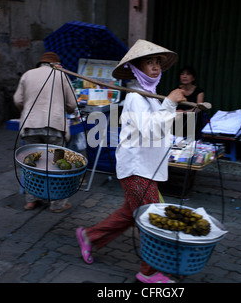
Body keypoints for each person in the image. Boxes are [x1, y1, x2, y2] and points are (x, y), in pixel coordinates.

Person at [76, 39, 186, 283]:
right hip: (137, 169)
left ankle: (90, 237)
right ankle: (149, 272)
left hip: (147, 167)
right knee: (150, 220)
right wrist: (170, 103)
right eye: (149, 62)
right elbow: (148, 129)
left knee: (131, 213)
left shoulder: (150, 97)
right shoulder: (136, 97)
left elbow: (157, 127)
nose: (155, 67)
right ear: (137, 68)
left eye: (158, 62)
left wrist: (172, 111)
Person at [13, 51, 77, 213]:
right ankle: (57, 204)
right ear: (56, 64)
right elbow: (72, 103)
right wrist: (64, 108)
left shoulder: (27, 75)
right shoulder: (61, 75)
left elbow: (17, 100)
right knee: (57, 165)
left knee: (32, 163)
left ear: (40, 63)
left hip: (31, 125)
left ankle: (31, 200)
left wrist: (28, 109)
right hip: (54, 125)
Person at [174, 66, 205, 139]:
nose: (184, 76)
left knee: (190, 143)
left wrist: (185, 112)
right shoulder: (176, 90)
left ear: (193, 78)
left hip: (192, 119)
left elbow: (199, 108)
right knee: (177, 142)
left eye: (188, 74)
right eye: (182, 74)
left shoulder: (199, 92)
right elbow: (171, 105)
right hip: (178, 119)